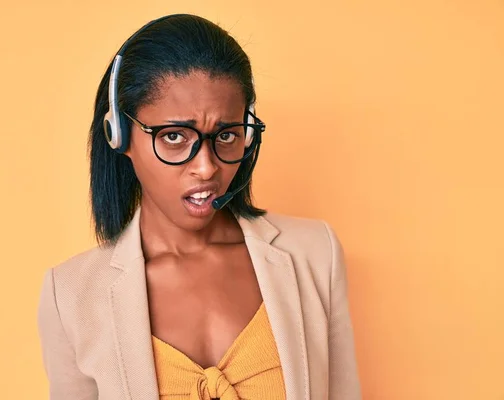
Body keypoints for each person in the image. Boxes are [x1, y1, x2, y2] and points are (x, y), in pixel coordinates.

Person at [37, 13, 361, 400]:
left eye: (226, 135)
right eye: (174, 136)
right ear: (119, 135)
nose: (207, 166)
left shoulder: (315, 254)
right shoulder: (72, 295)